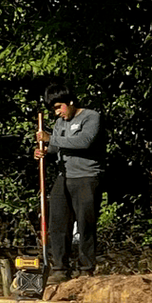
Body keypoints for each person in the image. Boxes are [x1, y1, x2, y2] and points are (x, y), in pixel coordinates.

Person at [33, 82, 104, 279]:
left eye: (58, 107)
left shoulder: (91, 117)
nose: (57, 113)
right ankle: (59, 269)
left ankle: (86, 269)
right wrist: (44, 151)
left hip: (86, 177)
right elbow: (57, 148)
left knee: (85, 224)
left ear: (70, 101)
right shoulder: (60, 124)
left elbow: (84, 142)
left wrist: (51, 139)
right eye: (53, 109)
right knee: (58, 223)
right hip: (64, 177)